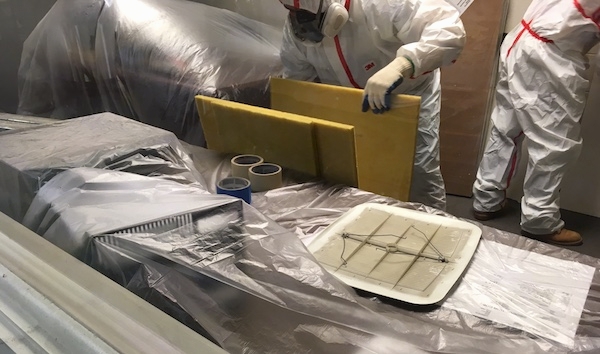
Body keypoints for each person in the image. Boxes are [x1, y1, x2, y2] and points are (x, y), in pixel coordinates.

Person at [278, 0, 466, 210]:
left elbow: (448, 30)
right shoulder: (297, 30)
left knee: (417, 171)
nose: (300, 18)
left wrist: (402, 65)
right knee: (359, 171)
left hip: (408, 94)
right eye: (293, 11)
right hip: (351, 103)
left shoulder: (379, 4)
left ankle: (433, 226)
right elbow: (298, 82)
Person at [472, 0, 600, 246]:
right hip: (551, 55)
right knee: (554, 143)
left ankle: (486, 201)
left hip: (521, 40)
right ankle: (539, 221)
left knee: (505, 128)